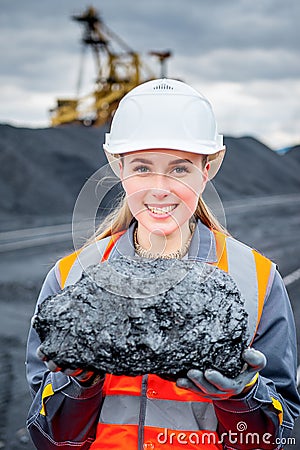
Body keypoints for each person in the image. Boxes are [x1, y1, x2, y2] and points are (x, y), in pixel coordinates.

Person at [26, 78, 300, 450]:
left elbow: (277, 439)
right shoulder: (70, 277)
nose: (160, 187)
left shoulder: (258, 279)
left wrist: (241, 395)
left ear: (207, 170)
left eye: (180, 169)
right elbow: (51, 441)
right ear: (119, 169)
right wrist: (79, 383)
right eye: (142, 168)